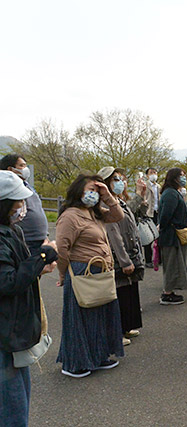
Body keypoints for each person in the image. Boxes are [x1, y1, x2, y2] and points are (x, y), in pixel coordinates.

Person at [0, 171, 58, 425]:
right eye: (17, 202)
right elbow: (7, 281)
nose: (22, 208)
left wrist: (38, 265)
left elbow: (17, 268)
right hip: (4, 335)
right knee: (11, 409)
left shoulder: (9, 230)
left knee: (19, 399)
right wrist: (42, 257)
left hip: (13, 332)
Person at [56, 174, 125, 378]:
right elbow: (62, 248)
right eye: (90, 190)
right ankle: (74, 363)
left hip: (99, 272)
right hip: (81, 272)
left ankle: (98, 356)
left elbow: (117, 215)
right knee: (80, 318)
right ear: (78, 191)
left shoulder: (93, 213)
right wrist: (62, 274)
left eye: (96, 190)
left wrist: (107, 196)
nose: (93, 194)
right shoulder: (71, 216)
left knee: (99, 316)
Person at [98, 167, 146, 345]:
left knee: (129, 292)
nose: (121, 183)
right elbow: (113, 234)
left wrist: (141, 195)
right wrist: (124, 260)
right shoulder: (104, 204)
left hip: (130, 251)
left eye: (121, 179)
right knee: (119, 294)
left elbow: (131, 215)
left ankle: (126, 327)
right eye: (115, 179)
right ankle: (117, 332)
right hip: (119, 256)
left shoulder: (119, 200)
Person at [0, 154, 49, 254]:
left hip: (40, 239)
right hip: (26, 241)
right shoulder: (9, 191)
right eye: (22, 166)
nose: (25, 169)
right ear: (10, 169)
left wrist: (45, 235)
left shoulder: (28, 187)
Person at [158, 168, 187, 305]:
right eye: (181, 176)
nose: (184, 178)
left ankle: (170, 290)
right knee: (171, 263)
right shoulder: (171, 194)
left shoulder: (172, 192)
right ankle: (167, 293)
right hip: (171, 235)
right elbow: (166, 215)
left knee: (175, 262)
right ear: (174, 178)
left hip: (173, 234)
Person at [142, 167, 160, 268]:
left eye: (155, 172)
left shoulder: (158, 186)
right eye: (151, 173)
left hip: (157, 212)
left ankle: (158, 259)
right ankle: (148, 260)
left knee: (158, 236)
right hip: (148, 213)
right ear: (147, 175)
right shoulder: (145, 186)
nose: (154, 174)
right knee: (148, 237)